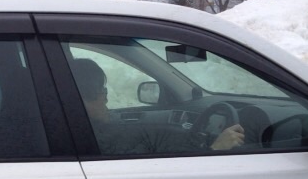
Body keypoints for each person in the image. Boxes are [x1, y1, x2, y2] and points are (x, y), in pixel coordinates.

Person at [70, 58, 245, 154]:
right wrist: (215, 149)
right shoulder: (92, 144)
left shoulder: (85, 135)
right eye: (101, 92)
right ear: (80, 99)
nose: (106, 99)